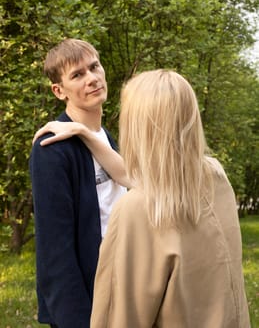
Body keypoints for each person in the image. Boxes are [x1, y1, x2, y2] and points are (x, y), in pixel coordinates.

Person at [32, 69, 250, 327]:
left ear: (138, 126)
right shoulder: (215, 177)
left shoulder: (137, 207)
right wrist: (87, 133)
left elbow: (121, 318)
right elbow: (145, 177)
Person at [29, 38, 127, 328]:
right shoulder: (52, 148)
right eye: (78, 75)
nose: (92, 79)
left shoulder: (110, 142)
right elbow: (54, 251)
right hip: (88, 301)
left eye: (94, 67)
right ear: (59, 91)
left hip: (125, 288)